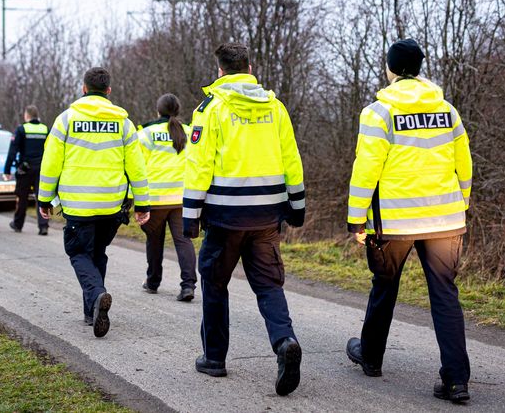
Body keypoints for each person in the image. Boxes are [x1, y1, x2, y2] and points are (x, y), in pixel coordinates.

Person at [344, 38, 473, 404]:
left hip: (395, 224)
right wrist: (461, 201)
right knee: (445, 294)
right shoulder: (448, 110)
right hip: (445, 220)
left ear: (390, 68)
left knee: (385, 285)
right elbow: (464, 165)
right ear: (419, 67)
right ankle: (456, 380)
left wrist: (356, 218)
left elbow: (365, 170)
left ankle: (370, 356)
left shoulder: (379, 112)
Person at [183, 43, 305, 396]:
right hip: (267, 216)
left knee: (215, 283)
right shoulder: (275, 107)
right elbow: (290, 159)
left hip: (224, 218)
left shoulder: (211, 109)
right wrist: (297, 206)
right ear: (249, 67)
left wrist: (191, 217)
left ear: (220, 71)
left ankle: (214, 359)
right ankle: (284, 341)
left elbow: (198, 166)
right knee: (269, 285)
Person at [38, 67, 150, 338]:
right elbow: (137, 167)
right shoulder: (124, 123)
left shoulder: (65, 120)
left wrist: (44, 198)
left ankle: (97, 295)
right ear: (108, 91)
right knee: (97, 253)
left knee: (78, 253)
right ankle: (91, 311)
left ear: (83, 88)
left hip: (78, 206)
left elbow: (51, 162)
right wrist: (143, 204)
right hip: (111, 205)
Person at [137, 93, 197, 301]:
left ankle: (153, 282)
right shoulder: (189, 132)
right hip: (183, 198)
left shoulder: (146, 134)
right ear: (178, 111)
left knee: (154, 240)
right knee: (184, 241)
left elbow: (138, 168)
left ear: (158, 110)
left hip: (155, 199)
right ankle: (188, 285)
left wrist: (134, 199)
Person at [4, 104, 49, 235]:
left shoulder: (22, 129)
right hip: (41, 168)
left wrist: (7, 170)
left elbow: (12, 151)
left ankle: (18, 224)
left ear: (27, 115)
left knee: (22, 197)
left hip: (25, 169)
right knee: (41, 197)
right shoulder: (45, 129)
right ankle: (43, 226)